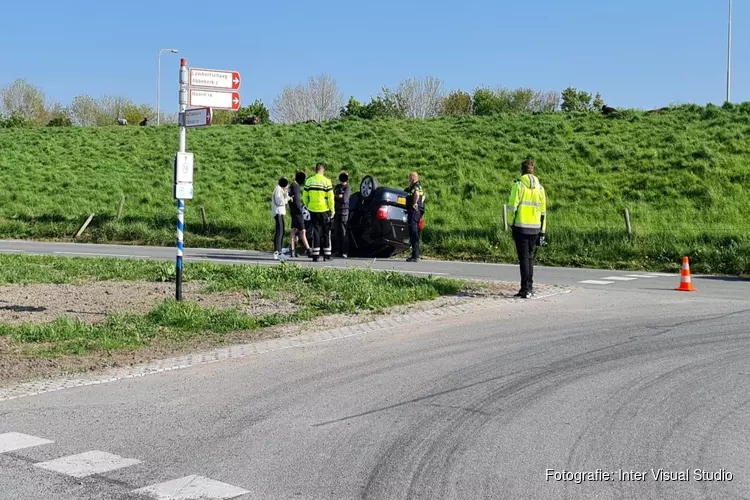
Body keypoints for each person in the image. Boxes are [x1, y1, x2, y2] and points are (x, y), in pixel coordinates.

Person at [506, 159, 547, 299]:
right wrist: (543, 230)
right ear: (533, 170)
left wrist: (510, 223)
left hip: (521, 227)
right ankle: (530, 287)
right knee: (529, 258)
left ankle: (525, 289)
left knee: (523, 259)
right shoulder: (540, 188)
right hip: (535, 228)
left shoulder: (518, 186)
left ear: (522, 170)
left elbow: (512, 207)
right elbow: (543, 212)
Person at [302, 163, 335, 262]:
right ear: (322, 170)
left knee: (315, 231)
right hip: (324, 210)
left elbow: (304, 196)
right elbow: (330, 198)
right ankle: (327, 255)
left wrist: (308, 205)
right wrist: (332, 210)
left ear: (315, 170)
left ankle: (315, 255)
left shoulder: (309, 181)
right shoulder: (327, 181)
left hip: (313, 210)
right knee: (326, 232)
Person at [288, 170, 311, 257]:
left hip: (293, 211)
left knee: (293, 230)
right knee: (303, 231)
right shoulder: (296, 186)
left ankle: (292, 250)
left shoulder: (291, 185)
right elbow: (297, 201)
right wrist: (300, 210)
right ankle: (308, 250)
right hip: (298, 212)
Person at [404, 172, 424, 262]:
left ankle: (415, 256)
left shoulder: (416, 186)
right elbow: (424, 196)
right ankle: (414, 255)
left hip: (414, 211)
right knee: (413, 232)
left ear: (413, 178)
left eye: (409, 178)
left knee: (413, 232)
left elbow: (416, 194)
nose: (409, 180)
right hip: (416, 211)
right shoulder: (416, 186)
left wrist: (415, 203)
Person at [333, 170, 351, 258]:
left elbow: (344, 200)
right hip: (336, 211)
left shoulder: (347, 188)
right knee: (336, 231)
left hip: (344, 212)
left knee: (344, 231)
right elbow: (332, 196)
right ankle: (338, 251)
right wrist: (338, 196)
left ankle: (345, 252)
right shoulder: (337, 187)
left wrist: (338, 197)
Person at [271, 177, 290, 260]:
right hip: (278, 212)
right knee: (280, 232)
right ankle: (278, 252)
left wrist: (286, 193)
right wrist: (287, 199)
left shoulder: (280, 189)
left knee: (281, 231)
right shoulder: (278, 189)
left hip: (280, 213)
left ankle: (279, 251)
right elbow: (279, 201)